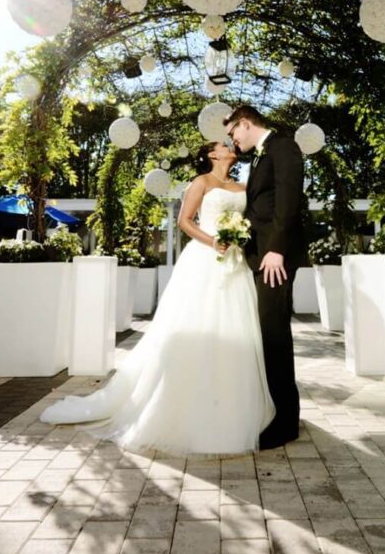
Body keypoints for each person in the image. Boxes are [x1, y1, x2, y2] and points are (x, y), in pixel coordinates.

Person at [39, 141, 275, 456]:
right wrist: (214, 240)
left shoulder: (242, 185)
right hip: (206, 259)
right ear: (212, 155)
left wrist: (240, 238)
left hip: (235, 263)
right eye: (222, 144)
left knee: (236, 328)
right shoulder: (201, 182)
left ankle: (235, 408)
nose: (229, 145)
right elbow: (185, 222)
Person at [224, 105, 306, 449]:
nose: (232, 139)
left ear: (245, 123)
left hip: (276, 258)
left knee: (274, 334)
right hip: (262, 257)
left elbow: (289, 201)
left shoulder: (283, 146)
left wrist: (276, 249)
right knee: (266, 332)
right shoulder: (259, 156)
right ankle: (277, 410)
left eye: (232, 132)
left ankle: (286, 423)